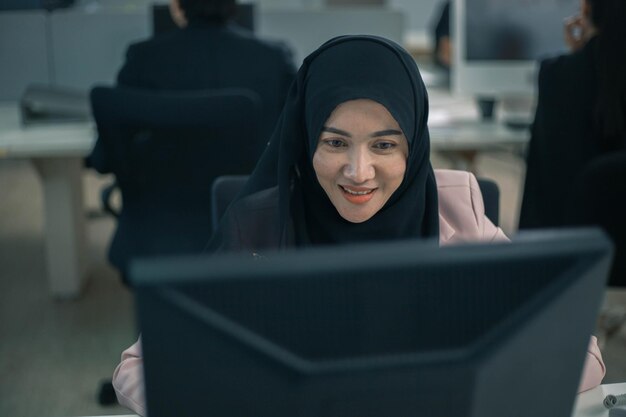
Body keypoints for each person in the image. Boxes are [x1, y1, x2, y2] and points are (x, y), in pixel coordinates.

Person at [112, 35, 606, 415]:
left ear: (413, 145)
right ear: (305, 139)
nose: (359, 171)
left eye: (385, 145)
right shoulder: (257, 229)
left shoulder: (459, 212)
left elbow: (580, 351)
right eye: (334, 143)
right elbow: (138, 368)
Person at [115, 0, 296, 140]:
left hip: (161, 185)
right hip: (249, 186)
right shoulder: (274, 58)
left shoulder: (142, 58)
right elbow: (296, 138)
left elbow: (106, 155)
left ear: (178, 4)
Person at [518, 0, 626, 229]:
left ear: (585, 9)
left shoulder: (556, 77)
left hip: (579, 253)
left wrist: (576, 58)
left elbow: (542, 198)